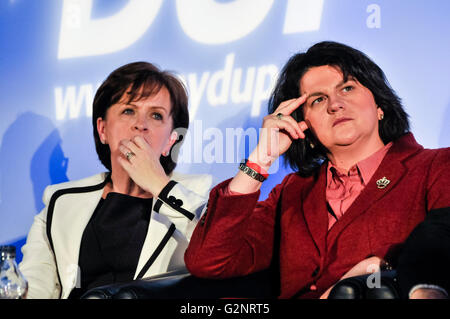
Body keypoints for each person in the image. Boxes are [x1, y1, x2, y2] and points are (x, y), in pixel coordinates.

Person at [184, 41, 450, 299]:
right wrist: (260, 159)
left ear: (380, 106)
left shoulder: (435, 167)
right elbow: (208, 261)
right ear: (304, 127)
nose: (335, 104)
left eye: (347, 88)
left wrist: (381, 266)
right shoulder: (292, 191)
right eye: (318, 100)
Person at [19, 62, 213, 299]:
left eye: (156, 115)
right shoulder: (61, 202)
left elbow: (220, 250)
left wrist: (159, 185)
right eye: (128, 111)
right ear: (103, 130)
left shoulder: (197, 194)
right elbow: (32, 288)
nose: (140, 124)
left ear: (171, 141)